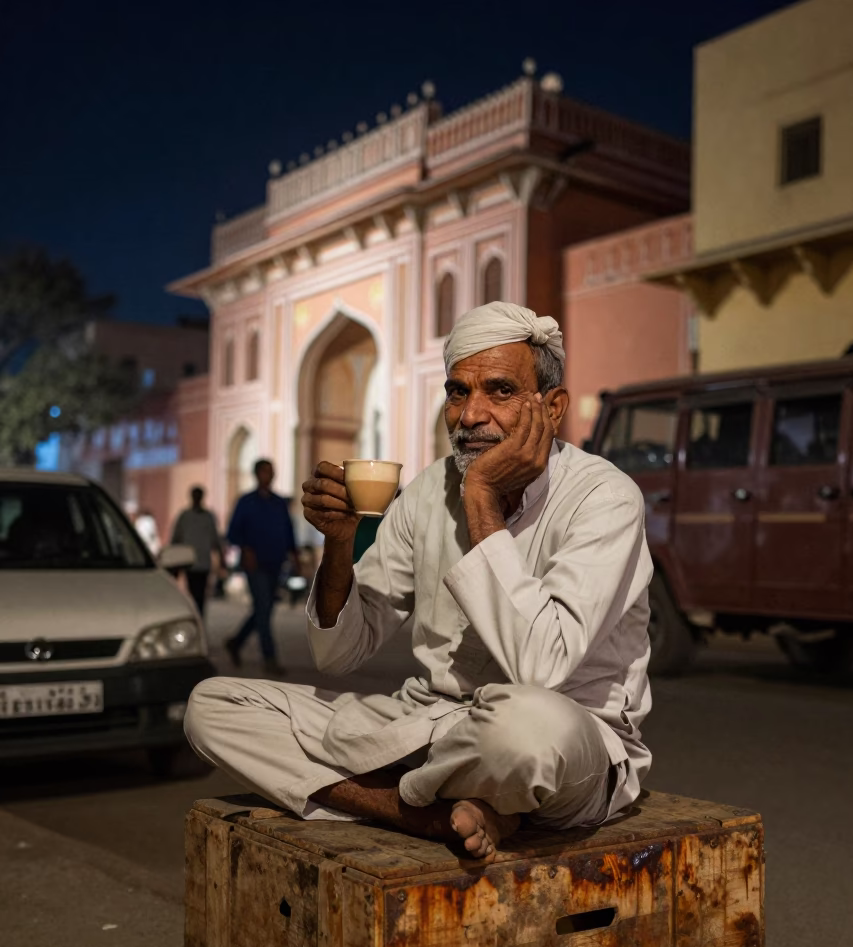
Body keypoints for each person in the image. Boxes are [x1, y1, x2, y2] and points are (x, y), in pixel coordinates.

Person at [185, 302, 653, 862]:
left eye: (500, 392)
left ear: (551, 409)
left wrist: (481, 499)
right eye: (458, 392)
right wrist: (339, 544)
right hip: (429, 726)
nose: (471, 414)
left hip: (564, 746)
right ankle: (426, 815)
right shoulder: (430, 491)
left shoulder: (604, 498)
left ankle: (430, 790)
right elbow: (340, 652)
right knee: (213, 705)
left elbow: (542, 668)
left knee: (528, 726)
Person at [224, 458, 298, 676]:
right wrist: (246, 549)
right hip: (254, 565)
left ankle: (236, 642)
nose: (269, 475)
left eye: (271, 472)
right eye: (265, 472)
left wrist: (295, 556)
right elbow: (233, 532)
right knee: (264, 609)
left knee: (263, 609)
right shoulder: (246, 502)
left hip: (276, 563)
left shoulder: (278, 503)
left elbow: (288, 532)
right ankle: (270, 657)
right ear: (257, 474)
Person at [170, 487, 224, 617]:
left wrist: (222, 559)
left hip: (203, 562)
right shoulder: (185, 516)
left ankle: (199, 617)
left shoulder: (208, 517)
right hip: (189, 562)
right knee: (193, 593)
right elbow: (176, 538)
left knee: (200, 595)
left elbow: (215, 540)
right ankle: (195, 616)